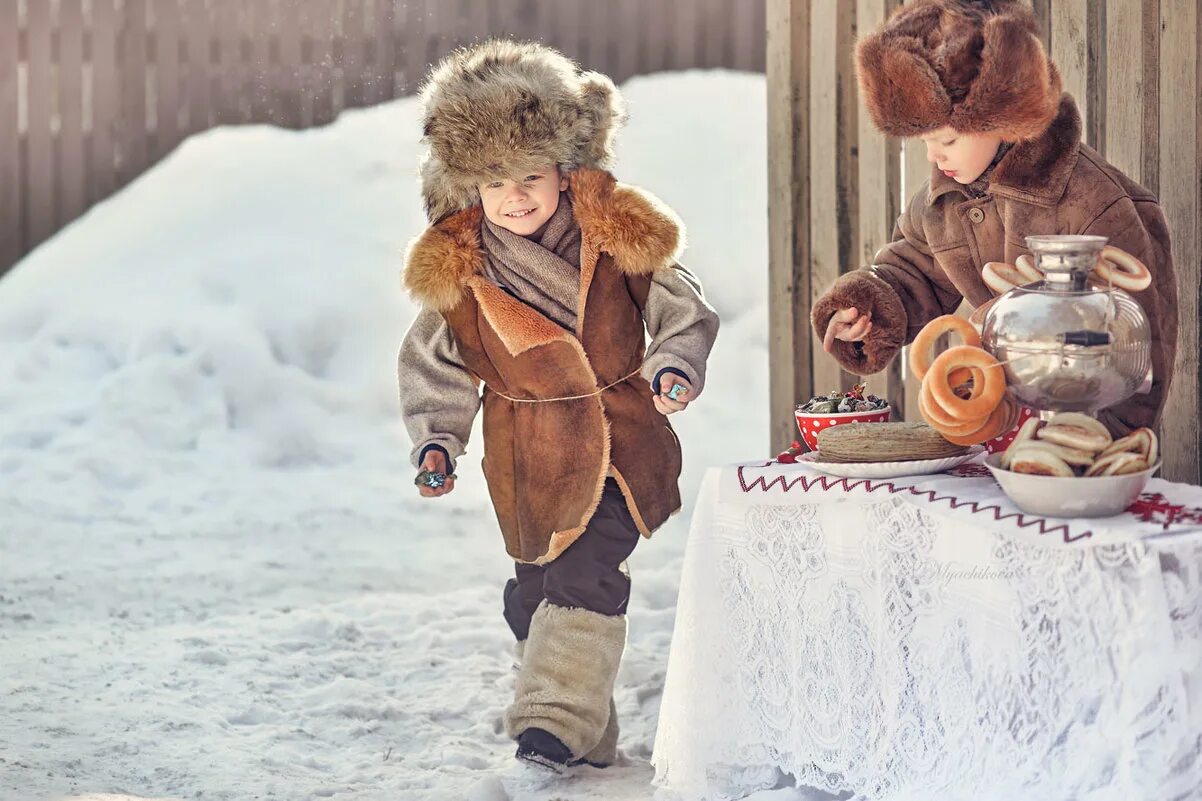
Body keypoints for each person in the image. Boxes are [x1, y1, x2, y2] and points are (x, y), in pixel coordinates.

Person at [397, 39, 719, 772]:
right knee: (533, 593)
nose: (517, 196)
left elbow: (682, 305)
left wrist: (672, 363)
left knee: (587, 574)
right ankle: (587, 733)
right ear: (466, 186)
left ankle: (548, 724)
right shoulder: (464, 268)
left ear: (566, 169)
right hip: (527, 455)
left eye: (533, 175)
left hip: (616, 437)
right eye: (495, 181)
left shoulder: (611, 234)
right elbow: (434, 364)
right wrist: (437, 439)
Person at [813, 0, 1177, 435]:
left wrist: (1101, 445)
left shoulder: (1094, 203)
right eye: (923, 142)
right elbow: (915, 272)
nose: (934, 155)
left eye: (946, 139)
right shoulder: (940, 202)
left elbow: (1137, 343)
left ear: (1000, 117)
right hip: (997, 429)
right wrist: (866, 310)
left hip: (1081, 435)